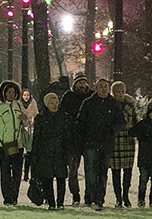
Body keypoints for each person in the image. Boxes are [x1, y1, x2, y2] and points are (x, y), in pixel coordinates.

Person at [76, 77, 126, 210]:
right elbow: (80, 122)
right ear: (96, 88)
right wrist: (84, 138)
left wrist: (112, 130)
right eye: (101, 86)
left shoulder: (114, 104)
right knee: (91, 171)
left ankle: (99, 199)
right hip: (91, 143)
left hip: (106, 143)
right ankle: (90, 196)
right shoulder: (88, 103)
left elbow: (121, 122)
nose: (104, 89)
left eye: (106, 86)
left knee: (102, 172)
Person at [0, 80, 29, 205]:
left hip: (18, 144)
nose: (11, 95)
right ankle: (7, 197)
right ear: (3, 93)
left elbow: (26, 124)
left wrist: (24, 118)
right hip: (4, 144)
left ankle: (14, 197)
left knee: (17, 173)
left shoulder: (19, 106)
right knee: (5, 172)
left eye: (13, 92)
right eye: (9, 92)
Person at [32, 92, 70, 209]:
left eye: (56, 103)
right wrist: (35, 154)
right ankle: (51, 202)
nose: (55, 105)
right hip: (45, 153)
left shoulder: (63, 117)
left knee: (61, 179)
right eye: (52, 103)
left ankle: (60, 202)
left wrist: (67, 152)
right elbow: (37, 138)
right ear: (46, 104)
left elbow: (67, 136)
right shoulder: (41, 118)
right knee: (47, 179)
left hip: (60, 152)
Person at [60, 74, 91, 204]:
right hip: (72, 139)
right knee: (73, 169)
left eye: (84, 83)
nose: (82, 85)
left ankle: (89, 195)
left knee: (90, 169)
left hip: (88, 138)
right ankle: (76, 195)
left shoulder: (91, 96)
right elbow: (62, 114)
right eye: (80, 83)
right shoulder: (68, 97)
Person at [111, 80, 138, 207]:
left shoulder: (131, 107)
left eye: (122, 91)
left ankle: (126, 196)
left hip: (128, 141)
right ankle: (118, 197)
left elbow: (135, 123)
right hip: (115, 141)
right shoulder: (111, 106)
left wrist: (134, 133)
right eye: (118, 92)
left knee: (128, 171)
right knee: (115, 172)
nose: (120, 94)